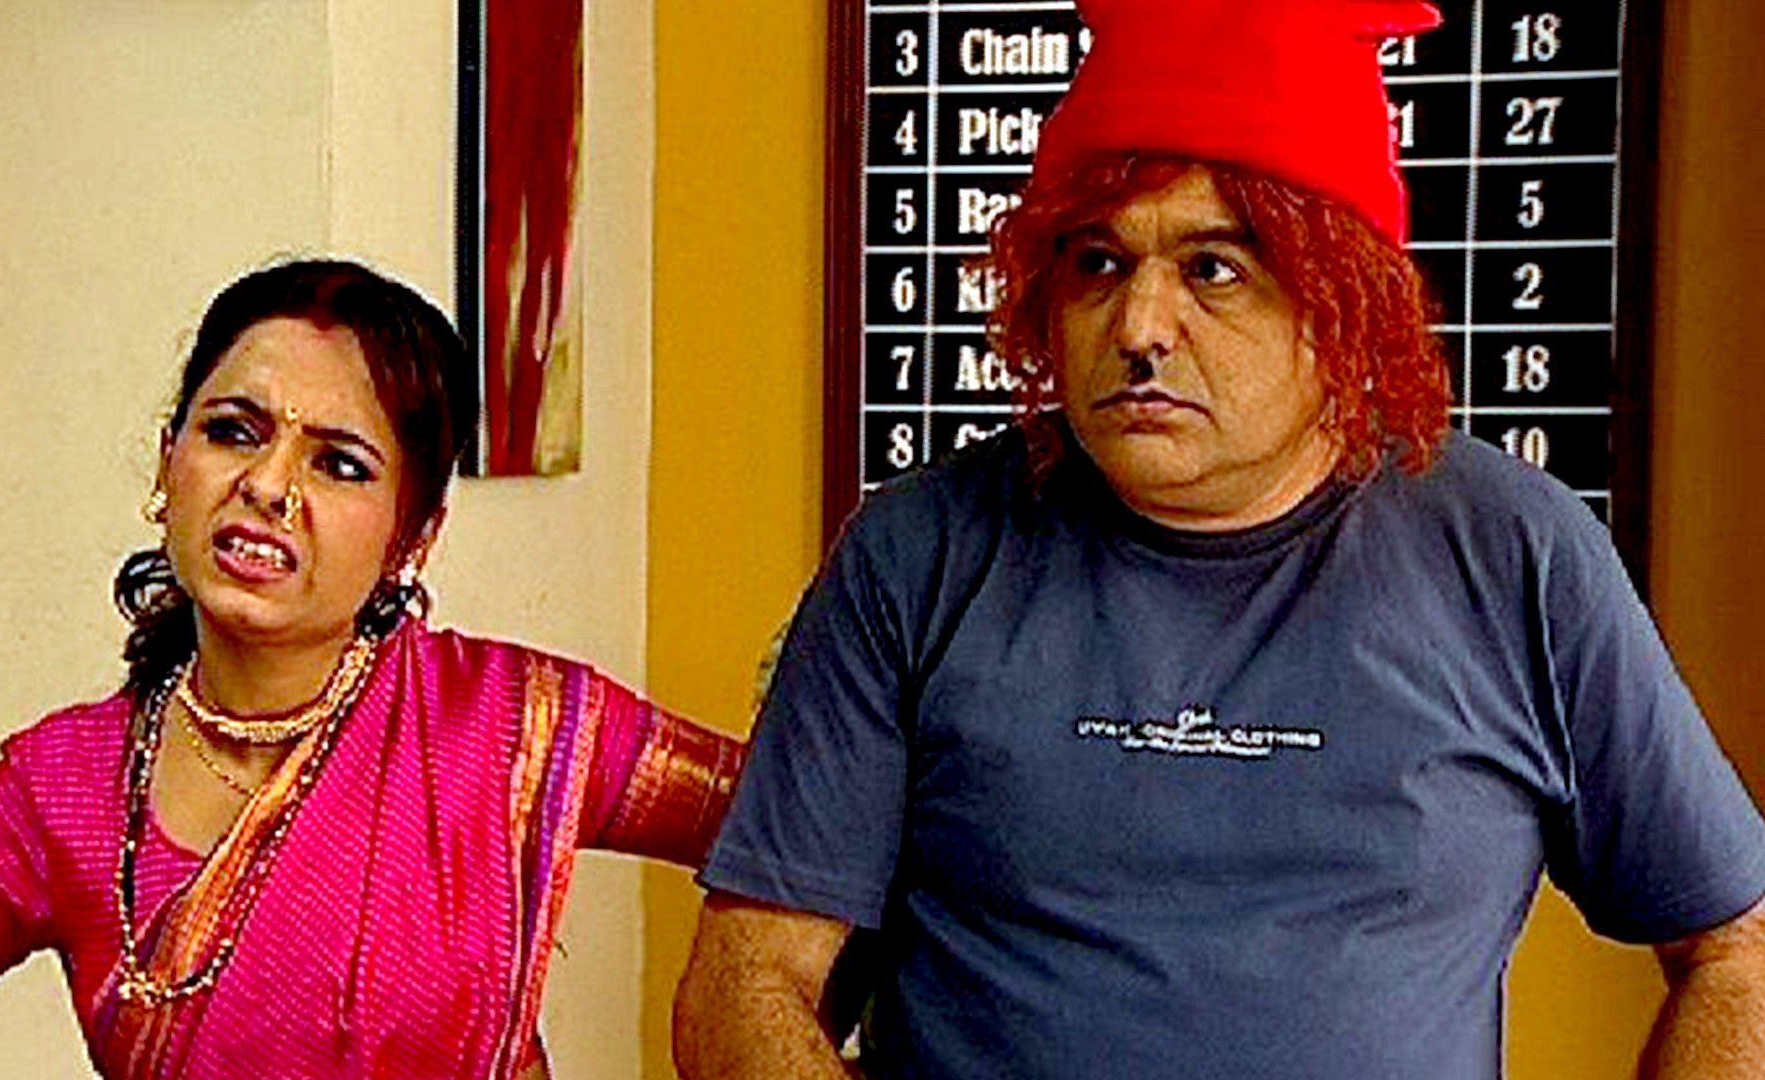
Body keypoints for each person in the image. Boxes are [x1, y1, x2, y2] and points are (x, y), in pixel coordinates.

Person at [673, 3, 1765, 1078]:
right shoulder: (918, 551)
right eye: (1098, 263)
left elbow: (1736, 953)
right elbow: (746, 980)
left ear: (1343, 305)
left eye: (1213, 269)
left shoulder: (1516, 551)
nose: (1140, 326)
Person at [0, 259, 743, 1080]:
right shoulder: (62, 789)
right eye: (233, 432)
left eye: (340, 465)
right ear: (168, 462)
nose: (269, 486)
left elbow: (797, 834)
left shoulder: (517, 726)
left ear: (413, 535)